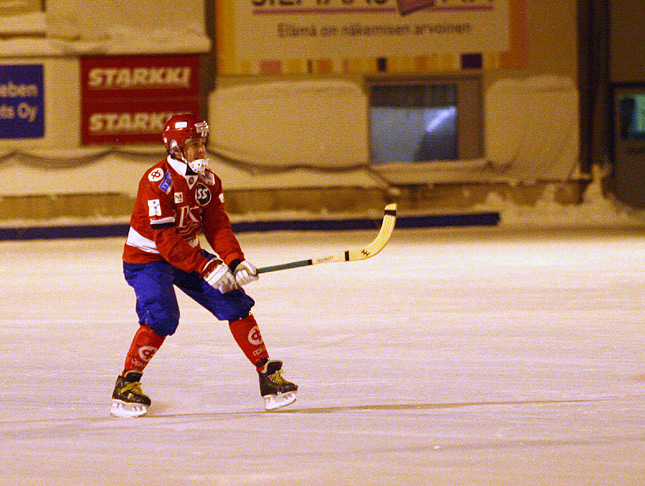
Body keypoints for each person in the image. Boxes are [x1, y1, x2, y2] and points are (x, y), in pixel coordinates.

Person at [110, 113, 298, 417]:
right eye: (194, 145)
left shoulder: (209, 181)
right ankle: (127, 384)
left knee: (235, 301)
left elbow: (217, 226)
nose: (202, 151)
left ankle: (268, 377)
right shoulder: (156, 181)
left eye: (202, 143)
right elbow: (166, 241)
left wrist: (235, 261)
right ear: (175, 148)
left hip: (186, 256)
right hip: (147, 259)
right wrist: (207, 267)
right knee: (162, 315)